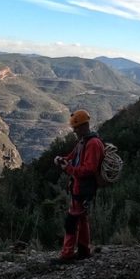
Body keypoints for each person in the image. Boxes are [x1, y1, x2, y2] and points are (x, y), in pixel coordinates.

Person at [52, 109, 105, 263]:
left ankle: (67, 254)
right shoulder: (84, 141)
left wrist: (68, 169)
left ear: (83, 126)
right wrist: (62, 159)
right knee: (82, 219)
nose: (74, 131)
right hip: (79, 186)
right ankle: (84, 250)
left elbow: (88, 169)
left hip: (83, 187)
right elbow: (73, 156)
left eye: (76, 128)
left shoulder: (93, 143)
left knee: (71, 221)